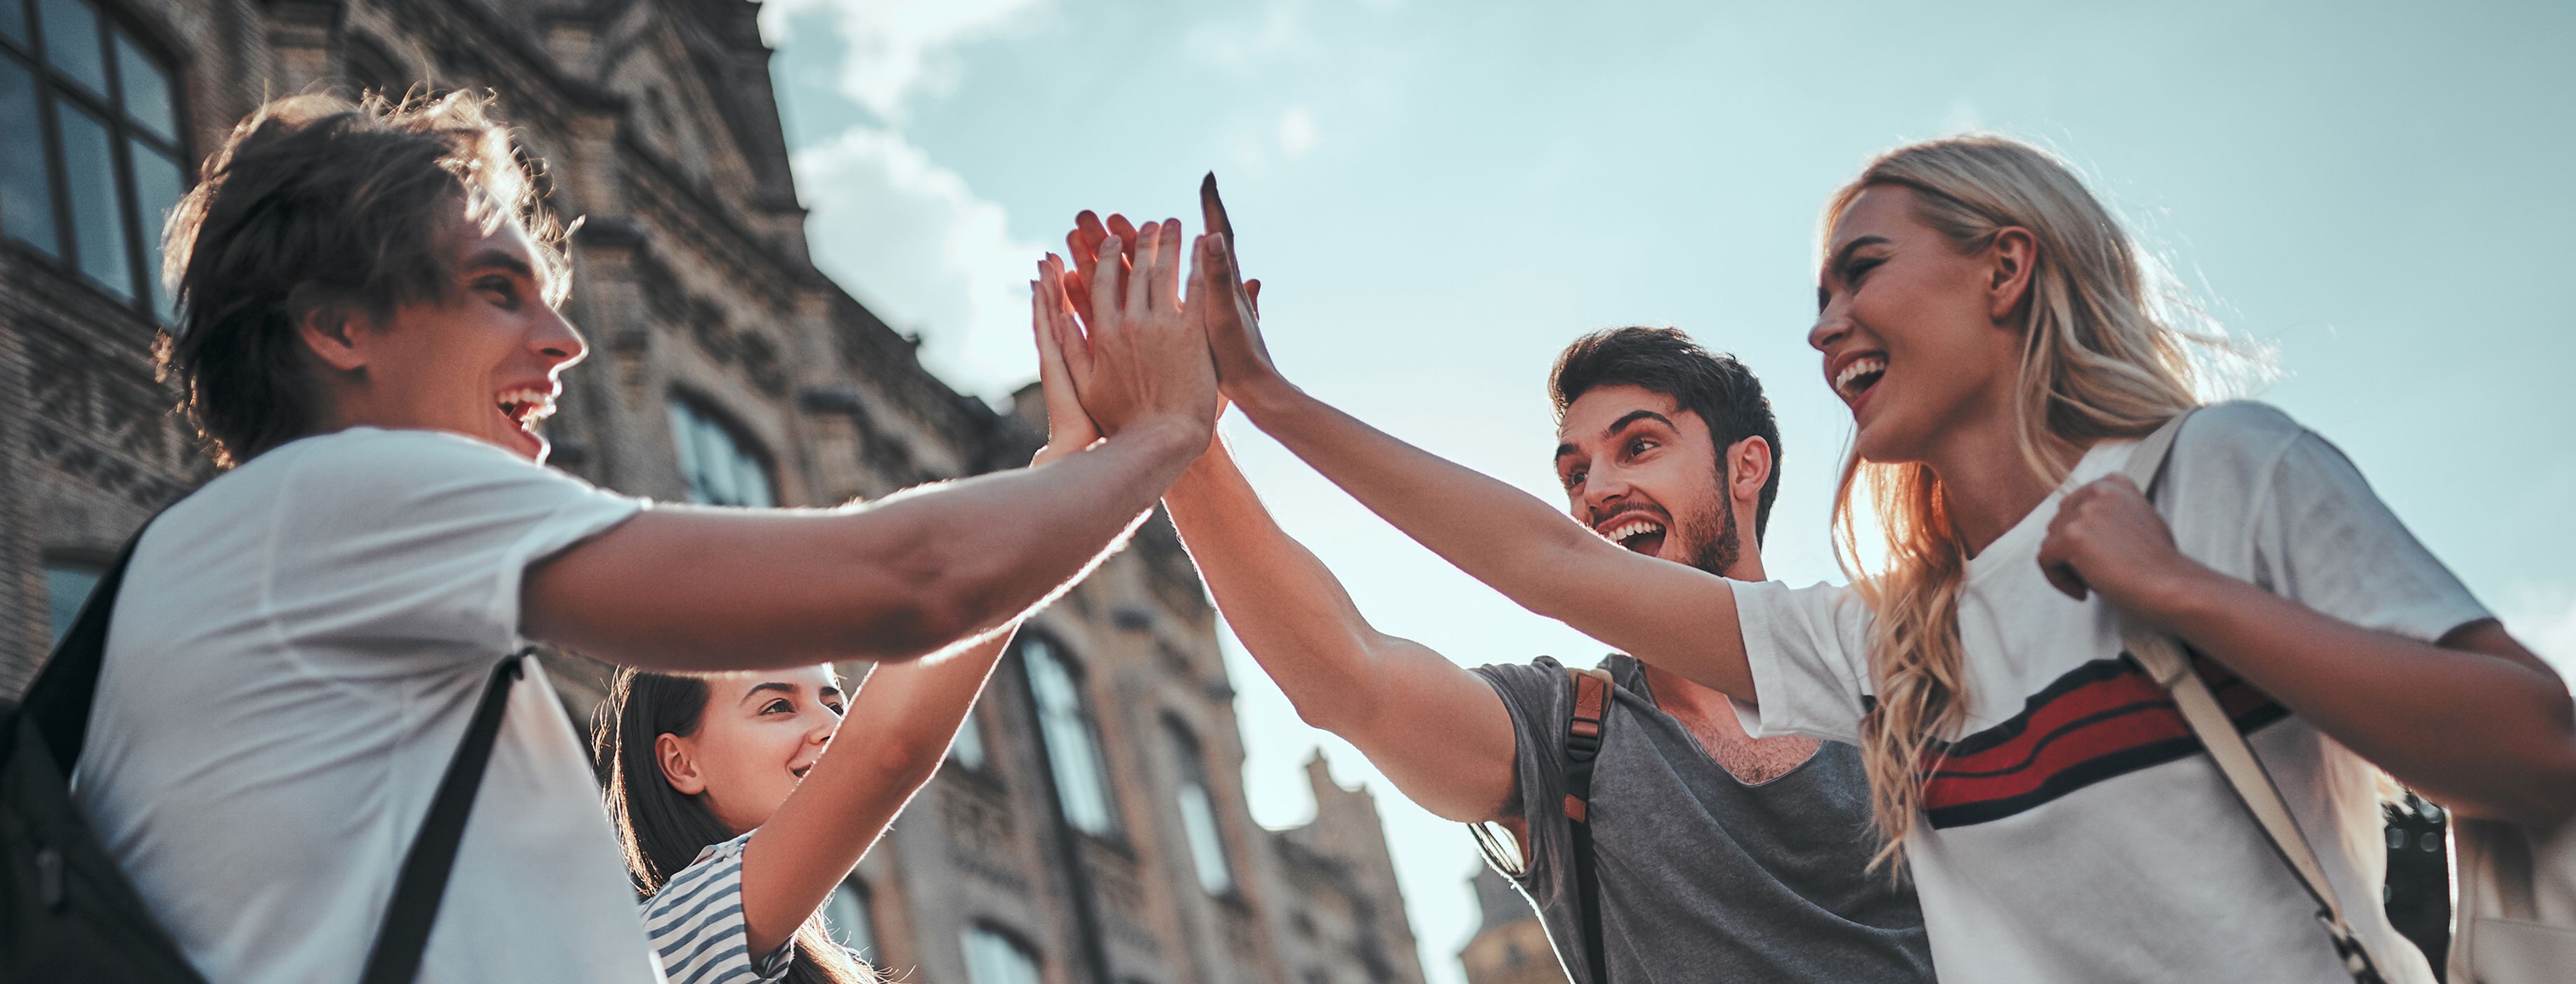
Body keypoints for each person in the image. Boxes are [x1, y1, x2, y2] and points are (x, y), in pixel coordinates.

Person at [1177, 141, 2576, 983]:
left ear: (2007, 267)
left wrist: (2181, 593)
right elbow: (1538, 568)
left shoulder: (2222, 474)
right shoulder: (1884, 647)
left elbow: (2532, 748)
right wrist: (1252, 401)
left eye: (1861, 272)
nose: (1825, 321)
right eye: (1817, 291)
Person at [72, 90, 1214, 982]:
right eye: (495, 288)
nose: (563, 339)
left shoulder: (252, 565)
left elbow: (895, 710)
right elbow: (909, 582)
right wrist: (1160, 437)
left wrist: (1080, 464)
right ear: (338, 326)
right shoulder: (348, 497)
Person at [1042, 208, 1930, 982]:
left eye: (1640, 446)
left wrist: (1271, 396)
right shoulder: (1567, 733)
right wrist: (1179, 439)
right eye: (1575, 470)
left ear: (1747, 466)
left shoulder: (1894, 658)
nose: (1598, 488)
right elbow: (1348, 676)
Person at [595, 281, 1115, 984]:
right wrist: (1076, 466)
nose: (832, 728)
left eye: (835, 701)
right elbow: (891, 745)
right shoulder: (666, 939)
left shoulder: (791, 954)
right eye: (777, 704)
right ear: (680, 761)